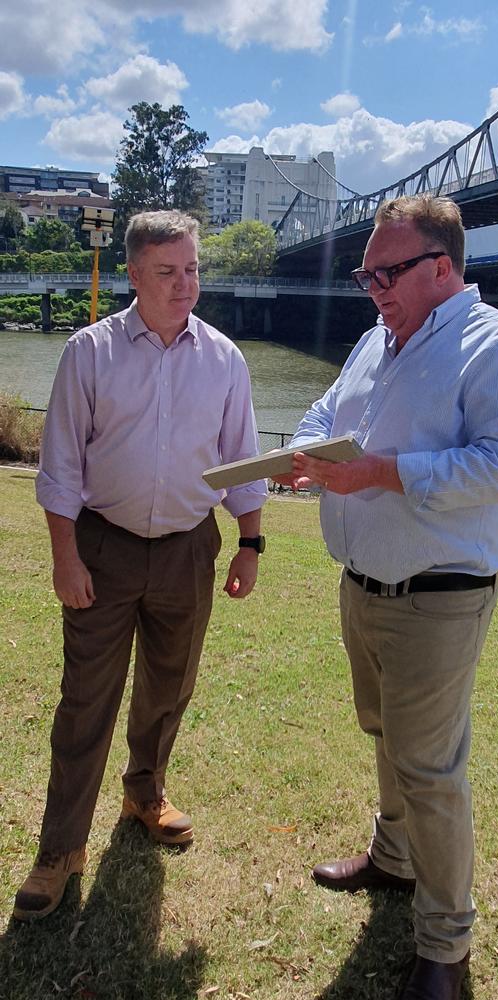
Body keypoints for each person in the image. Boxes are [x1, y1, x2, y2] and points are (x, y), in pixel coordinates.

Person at [274, 195, 498, 1000]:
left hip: (439, 596)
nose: (372, 288)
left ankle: (446, 949)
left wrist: (383, 471)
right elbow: (331, 410)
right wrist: (304, 449)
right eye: (366, 274)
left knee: (429, 770)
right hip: (362, 581)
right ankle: (393, 858)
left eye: (386, 272)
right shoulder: (376, 340)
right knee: (383, 732)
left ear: (442, 266)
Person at [13, 210, 267, 922]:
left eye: (192, 270)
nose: (185, 285)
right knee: (84, 701)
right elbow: (61, 467)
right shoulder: (88, 353)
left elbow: (244, 462)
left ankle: (143, 794)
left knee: (169, 687)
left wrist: (250, 541)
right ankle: (60, 849)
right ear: (133, 273)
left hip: (190, 546)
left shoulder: (224, 359)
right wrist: (65, 557)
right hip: (104, 545)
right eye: (168, 271)